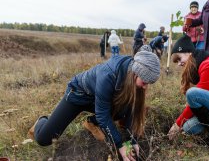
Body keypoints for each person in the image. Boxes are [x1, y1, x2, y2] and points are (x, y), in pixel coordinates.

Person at [28, 47, 161, 161]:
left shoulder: (131, 75)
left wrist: (133, 140)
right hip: (78, 95)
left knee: (123, 110)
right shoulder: (109, 75)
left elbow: (132, 108)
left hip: (100, 98)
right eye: (145, 82)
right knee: (44, 139)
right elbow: (103, 115)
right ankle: (43, 120)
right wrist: (120, 145)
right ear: (135, 73)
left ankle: (91, 122)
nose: (145, 87)